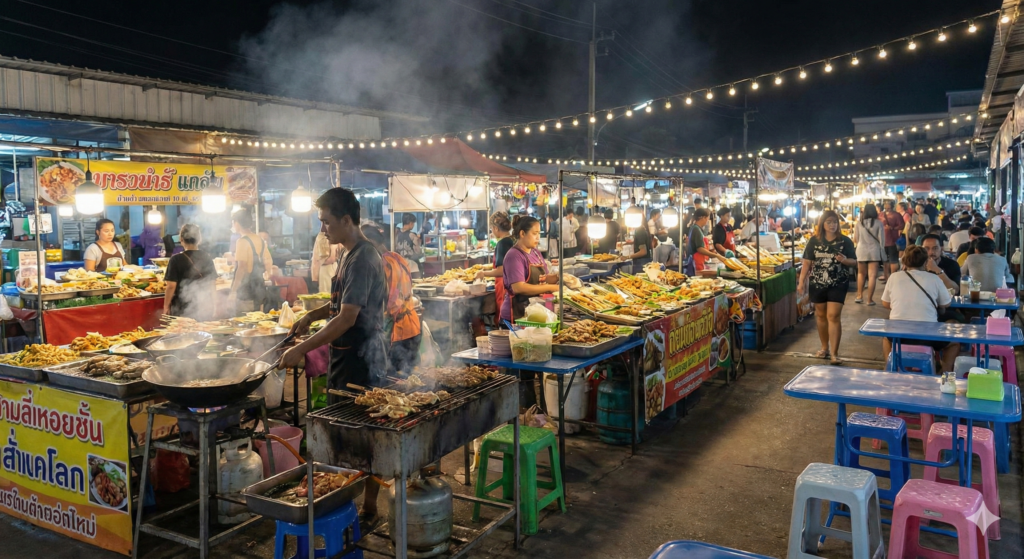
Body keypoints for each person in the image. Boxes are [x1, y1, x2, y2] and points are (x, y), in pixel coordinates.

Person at [280, 188, 388, 523]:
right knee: (344, 435)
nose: (323, 229)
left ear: (346, 219)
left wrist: (301, 348)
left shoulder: (364, 257)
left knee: (366, 436)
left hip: (363, 359)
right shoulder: (346, 253)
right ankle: (348, 501)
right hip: (346, 357)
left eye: (327, 222)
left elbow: (347, 317)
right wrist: (311, 315)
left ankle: (368, 507)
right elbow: (340, 304)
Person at [881, 246, 957, 373]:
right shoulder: (934, 279)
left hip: (899, 336)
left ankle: (890, 368)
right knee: (954, 342)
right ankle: (945, 372)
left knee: (886, 338)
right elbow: (946, 303)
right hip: (927, 337)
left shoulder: (894, 277)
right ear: (926, 262)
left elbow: (885, 303)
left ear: (904, 261)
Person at [361, 224, 421, 374]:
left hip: (396, 332)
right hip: (412, 326)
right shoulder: (397, 258)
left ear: (370, 243)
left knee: (393, 384)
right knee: (410, 382)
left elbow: (386, 303)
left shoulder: (382, 264)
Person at [798, 210, 856, 365]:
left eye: (835, 222)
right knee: (821, 316)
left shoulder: (845, 241)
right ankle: (824, 348)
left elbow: (855, 262)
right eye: (829, 222)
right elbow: (807, 263)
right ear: (822, 224)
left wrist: (845, 260)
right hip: (817, 283)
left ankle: (835, 354)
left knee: (833, 316)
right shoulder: (814, 241)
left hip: (838, 283)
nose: (832, 225)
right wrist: (801, 282)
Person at [500, 216, 559, 323]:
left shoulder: (536, 252)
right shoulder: (514, 256)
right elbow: (519, 287)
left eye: (539, 234)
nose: (538, 238)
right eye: (534, 233)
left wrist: (559, 277)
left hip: (534, 312)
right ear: (522, 234)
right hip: (517, 315)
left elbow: (543, 278)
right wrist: (551, 287)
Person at [163, 224, 217, 320]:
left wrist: (166, 306)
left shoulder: (175, 259)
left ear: (181, 239)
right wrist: (215, 305)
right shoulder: (207, 257)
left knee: (182, 333)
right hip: (203, 305)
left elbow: (171, 286)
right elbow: (212, 284)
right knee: (203, 332)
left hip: (182, 307)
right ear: (199, 239)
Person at [228, 209, 273, 313]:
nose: (233, 225)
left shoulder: (242, 241)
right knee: (259, 319)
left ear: (237, 223)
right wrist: (268, 274)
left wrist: (233, 291)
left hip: (246, 290)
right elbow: (268, 261)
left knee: (245, 321)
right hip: (259, 287)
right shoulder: (259, 239)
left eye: (233, 222)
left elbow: (241, 268)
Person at [475, 212, 515, 316]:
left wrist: (483, 273)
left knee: (504, 317)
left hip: (504, 287)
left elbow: (502, 270)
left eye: (492, 229)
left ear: (496, 228)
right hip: (514, 284)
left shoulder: (502, 243)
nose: (492, 232)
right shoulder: (513, 240)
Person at [853, 204, 884, 305]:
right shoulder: (879, 223)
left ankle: (859, 296)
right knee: (872, 276)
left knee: (861, 274)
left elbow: (855, 239)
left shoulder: (859, 224)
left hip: (861, 250)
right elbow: (882, 240)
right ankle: (869, 300)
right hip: (874, 250)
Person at [687, 208, 729, 273]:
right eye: (707, 218)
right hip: (697, 263)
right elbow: (700, 249)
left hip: (699, 262)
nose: (707, 221)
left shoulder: (696, 228)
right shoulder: (696, 229)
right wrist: (716, 255)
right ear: (703, 217)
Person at [881, 200, 905, 281]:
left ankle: (892, 278)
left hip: (892, 240)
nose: (887, 208)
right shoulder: (881, 214)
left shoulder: (896, 215)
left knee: (892, 260)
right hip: (883, 241)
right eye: (886, 206)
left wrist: (893, 228)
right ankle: (887, 277)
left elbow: (902, 225)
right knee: (886, 260)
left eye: (888, 206)